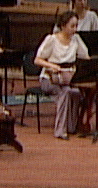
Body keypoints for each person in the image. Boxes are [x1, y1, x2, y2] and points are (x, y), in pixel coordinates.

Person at [35, 11, 94, 139]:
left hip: (67, 79)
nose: (74, 29)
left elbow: (85, 56)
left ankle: (71, 127)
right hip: (49, 78)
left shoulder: (76, 39)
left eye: (76, 26)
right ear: (63, 26)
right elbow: (38, 60)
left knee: (75, 92)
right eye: (72, 26)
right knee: (65, 93)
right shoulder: (51, 39)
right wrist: (53, 66)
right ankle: (60, 130)